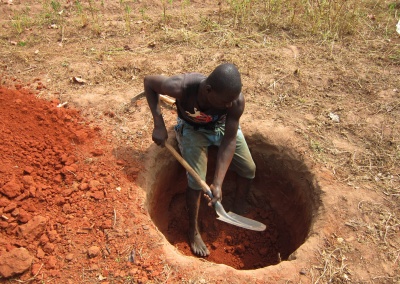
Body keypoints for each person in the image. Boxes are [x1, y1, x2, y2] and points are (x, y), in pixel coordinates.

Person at [144, 63, 256, 257]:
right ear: (208, 90)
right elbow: (149, 82)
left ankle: (239, 206)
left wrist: (218, 183)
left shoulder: (235, 101)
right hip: (192, 129)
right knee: (196, 181)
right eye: (226, 102)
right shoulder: (181, 87)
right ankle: (193, 230)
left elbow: (229, 140)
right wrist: (159, 124)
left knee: (249, 168)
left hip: (221, 129)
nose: (230, 105)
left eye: (232, 101)